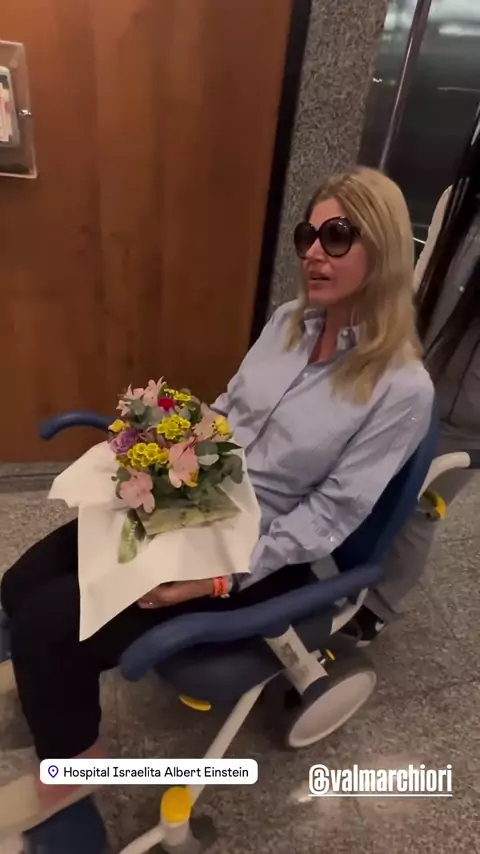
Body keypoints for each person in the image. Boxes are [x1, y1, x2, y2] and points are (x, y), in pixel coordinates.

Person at [0, 166, 434, 836]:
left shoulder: (401, 388)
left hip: (263, 549)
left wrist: (217, 579)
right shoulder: (288, 322)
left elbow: (329, 518)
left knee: (51, 624)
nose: (313, 253)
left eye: (337, 236)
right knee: (22, 583)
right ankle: (47, 683)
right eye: (308, 235)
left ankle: (76, 765)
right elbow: (229, 412)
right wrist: (159, 449)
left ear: (383, 249)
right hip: (198, 500)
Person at [348, 111, 480, 641]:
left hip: (466, 416)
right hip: (413, 375)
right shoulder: (460, 199)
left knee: (420, 505)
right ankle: (342, 574)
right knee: (375, 484)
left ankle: (377, 608)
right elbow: (420, 283)